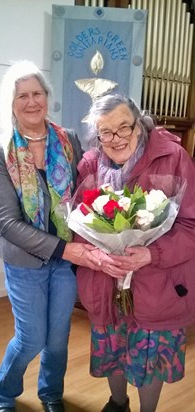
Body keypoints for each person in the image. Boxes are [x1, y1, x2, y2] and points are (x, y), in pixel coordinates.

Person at [0, 61, 122, 412]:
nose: (32, 102)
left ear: (47, 97)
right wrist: (65, 249)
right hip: (25, 260)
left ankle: (51, 395)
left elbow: (84, 192)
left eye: (38, 93)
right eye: (23, 96)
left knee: (58, 340)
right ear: (10, 103)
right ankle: (3, 391)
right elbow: (5, 221)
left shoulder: (69, 139)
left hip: (66, 262)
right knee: (31, 338)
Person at [75, 94, 195, 412]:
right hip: (105, 280)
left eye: (124, 127)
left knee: (151, 353)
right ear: (96, 135)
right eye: (105, 132)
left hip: (158, 281)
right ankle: (118, 403)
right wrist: (96, 255)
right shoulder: (89, 164)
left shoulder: (173, 157)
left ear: (140, 126)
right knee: (111, 345)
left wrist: (150, 254)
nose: (115, 139)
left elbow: (191, 226)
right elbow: (76, 224)